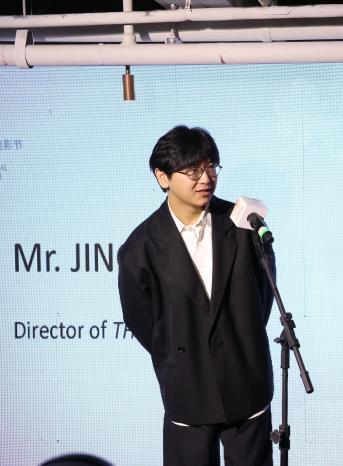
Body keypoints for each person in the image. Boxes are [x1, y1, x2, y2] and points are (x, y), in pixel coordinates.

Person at [117, 126, 275, 466]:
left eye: (210, 167)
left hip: (246, 381)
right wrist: (176, 357)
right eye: (192, 170)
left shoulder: (243, 225)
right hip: (187, 389)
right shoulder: (140, 247)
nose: (205, 178)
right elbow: (141, 320)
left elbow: (263, 298)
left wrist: (243, 341)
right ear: (162, 176)